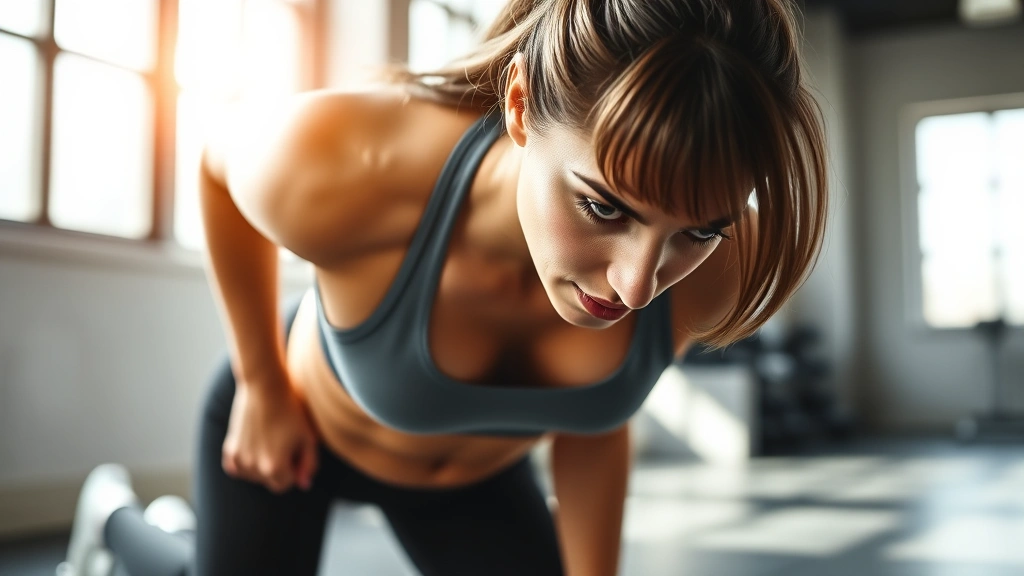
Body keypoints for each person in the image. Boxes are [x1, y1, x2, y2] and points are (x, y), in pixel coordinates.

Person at [58, 0, 828, 574]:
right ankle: (119, 526)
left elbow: (595, 420)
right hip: (300, 433)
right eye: (603, 207)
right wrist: (261, 382)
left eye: (696, 232)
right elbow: (216, 168)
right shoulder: (357, 163)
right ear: (521, 107)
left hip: (473, 487)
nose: (635, 285)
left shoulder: (717, 272)